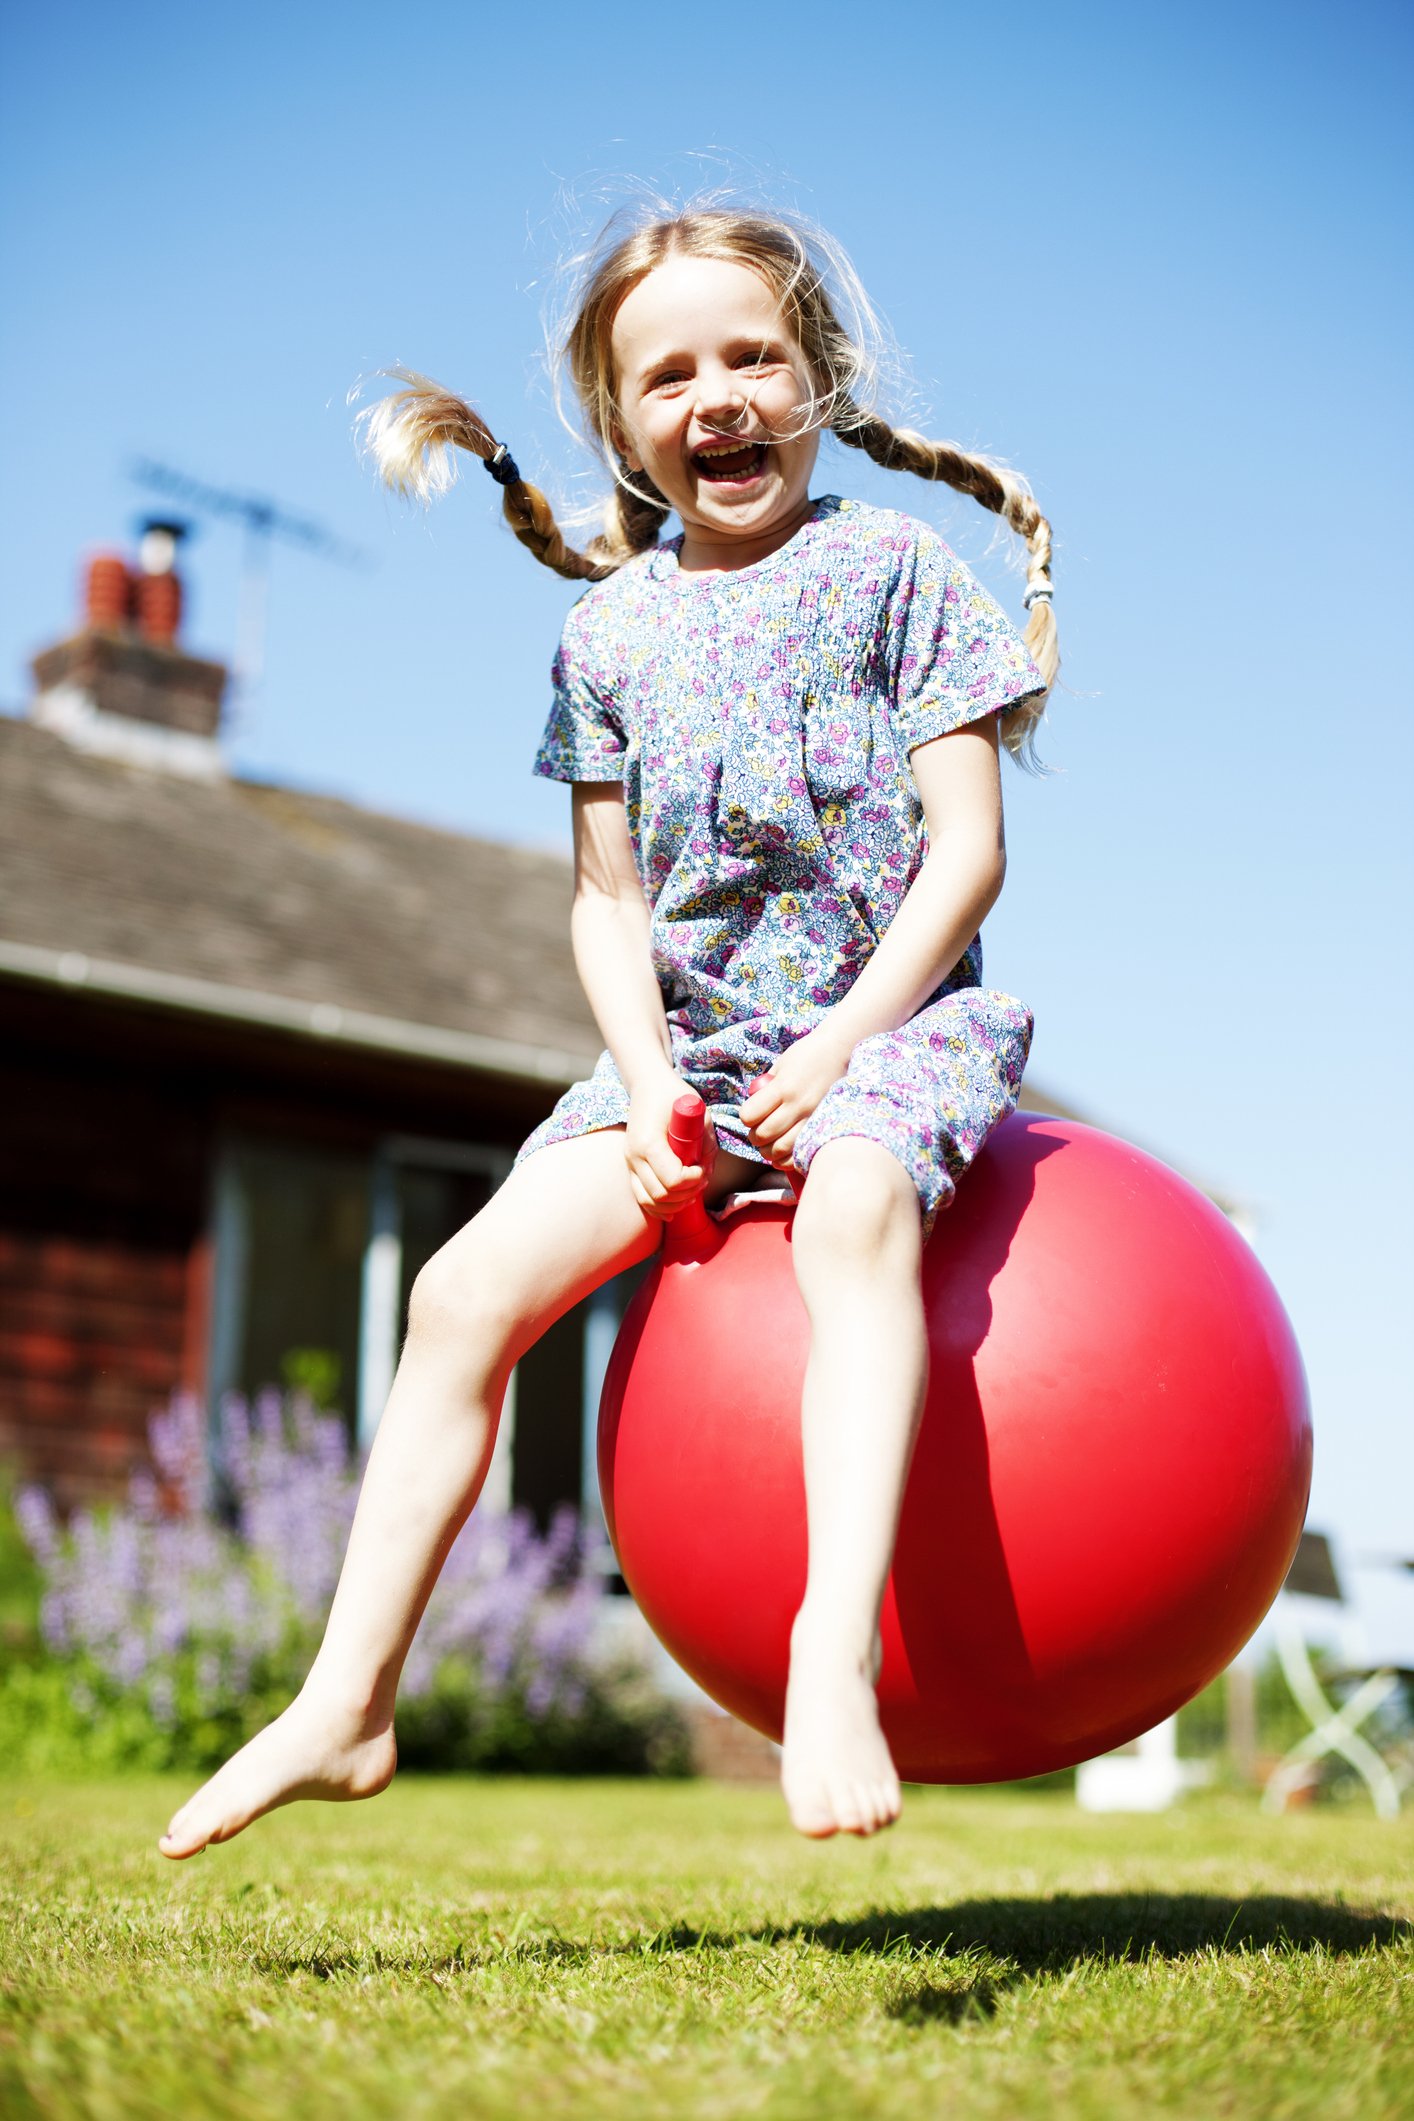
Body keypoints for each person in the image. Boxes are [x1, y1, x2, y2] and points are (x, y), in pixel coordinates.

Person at [159, 203, 1056, 1858]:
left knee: (854, 1212)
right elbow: (605, 903)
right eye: (670, 374)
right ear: (618, 423)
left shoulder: (897, 571)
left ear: (818, 379)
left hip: (896, 1020)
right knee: (453, 1291)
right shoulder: (606, 632)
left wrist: (851, 1039)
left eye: (753, 357)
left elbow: (970, 849)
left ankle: (829, 1650)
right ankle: (346, 1696)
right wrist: (646, 1085)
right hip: (687, 1054)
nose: (715, 396)